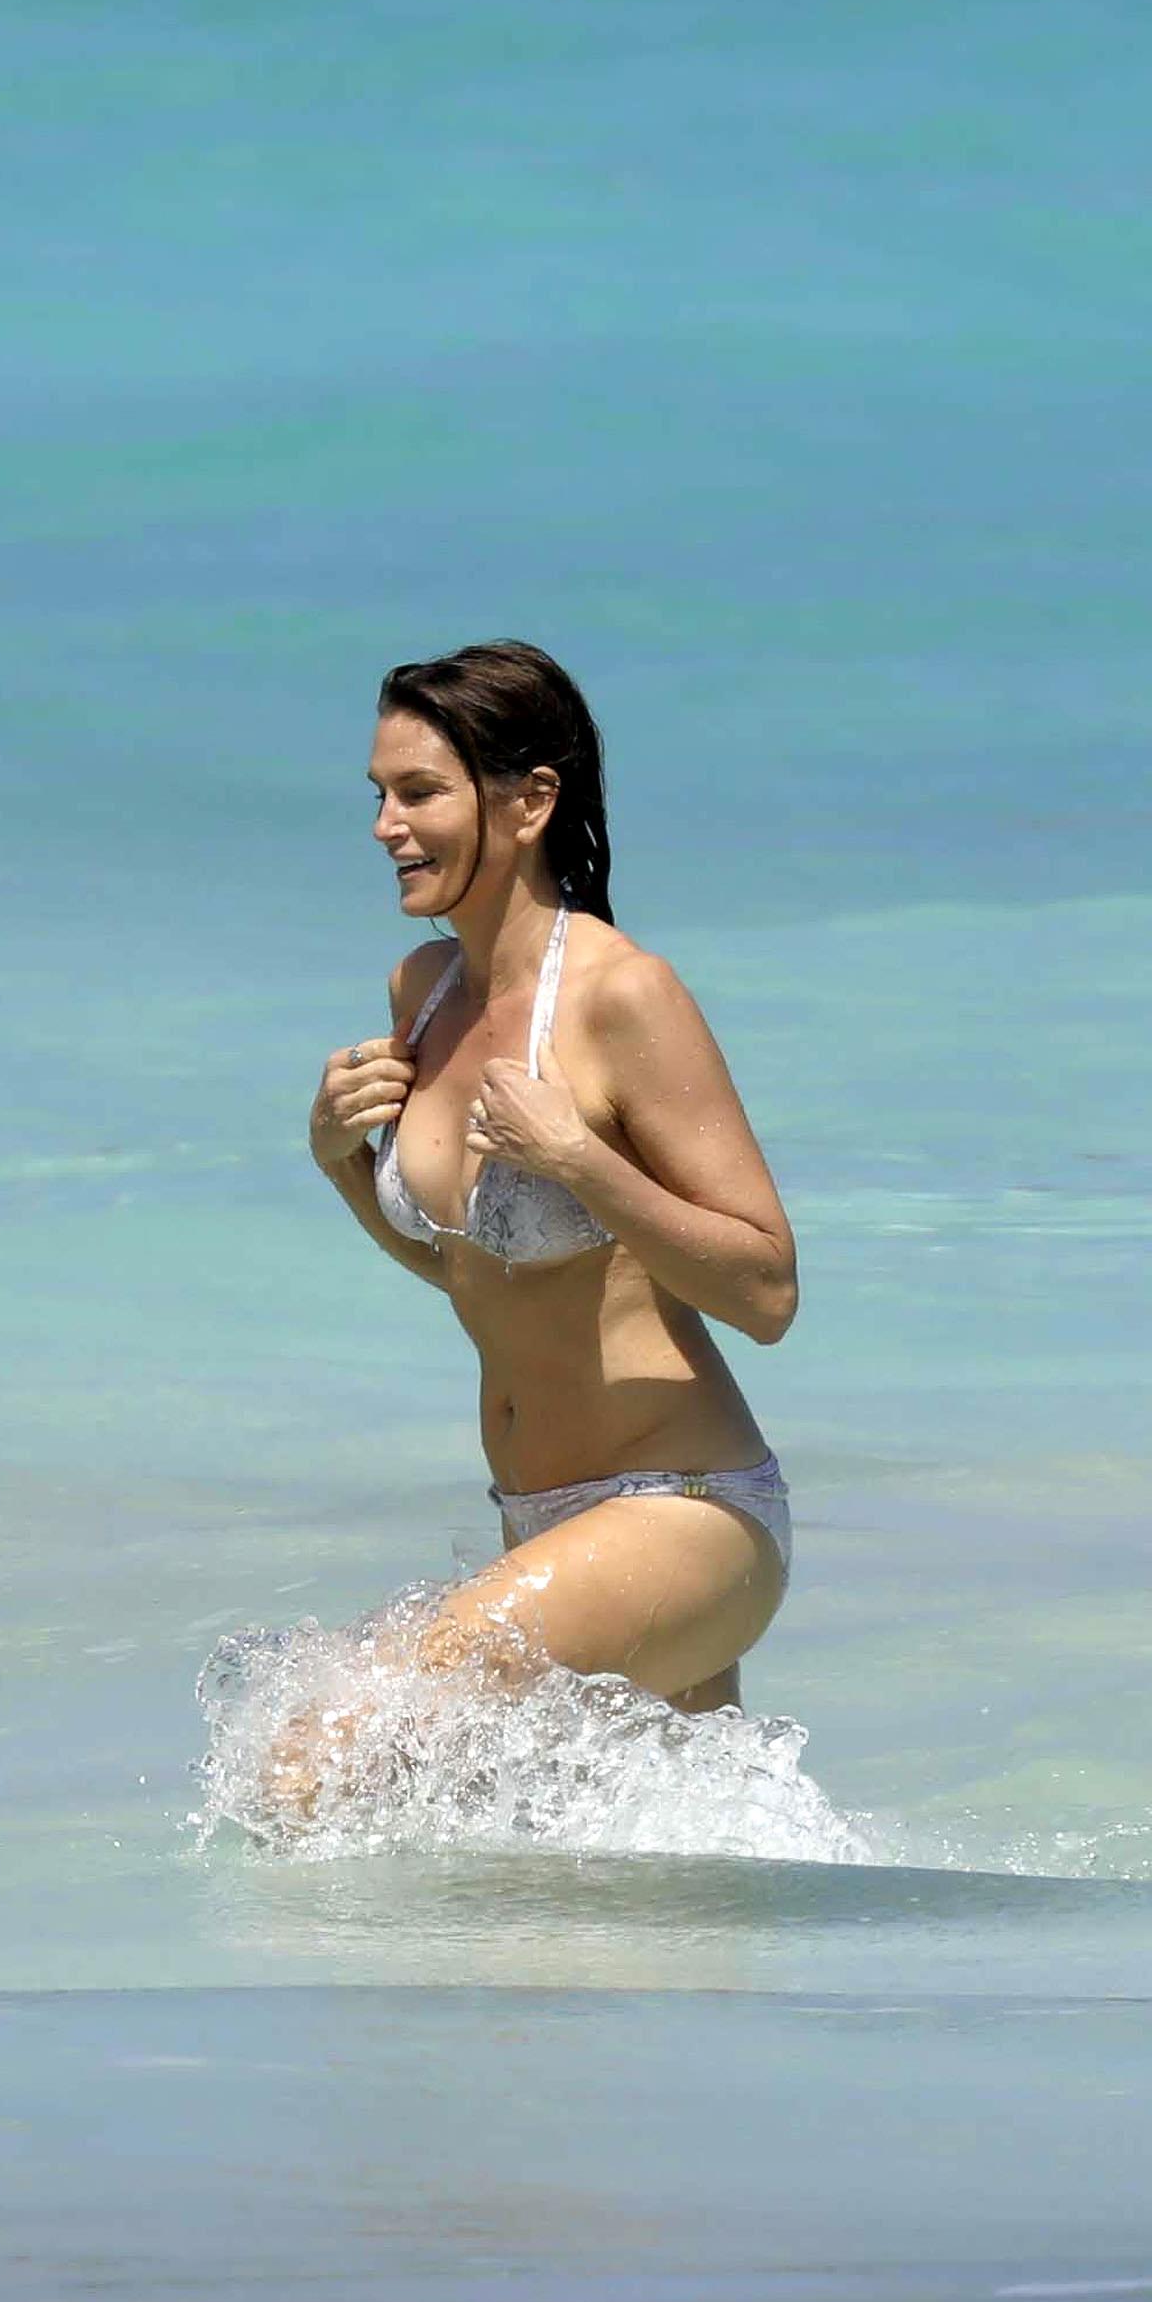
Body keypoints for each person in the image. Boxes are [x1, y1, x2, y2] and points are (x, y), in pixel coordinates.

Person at [298, 642, 801, 1753]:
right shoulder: (424, 996)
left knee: (331, 1746)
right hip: (540, 1525)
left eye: (419, 792)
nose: (386, 825)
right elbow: (471, 1271)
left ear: (528, 802)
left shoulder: (624, 997)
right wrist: (338, 1158)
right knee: (622, 1915)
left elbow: (767, 1289)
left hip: (683, 1511)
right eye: (379, 795)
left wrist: (584, 1162)